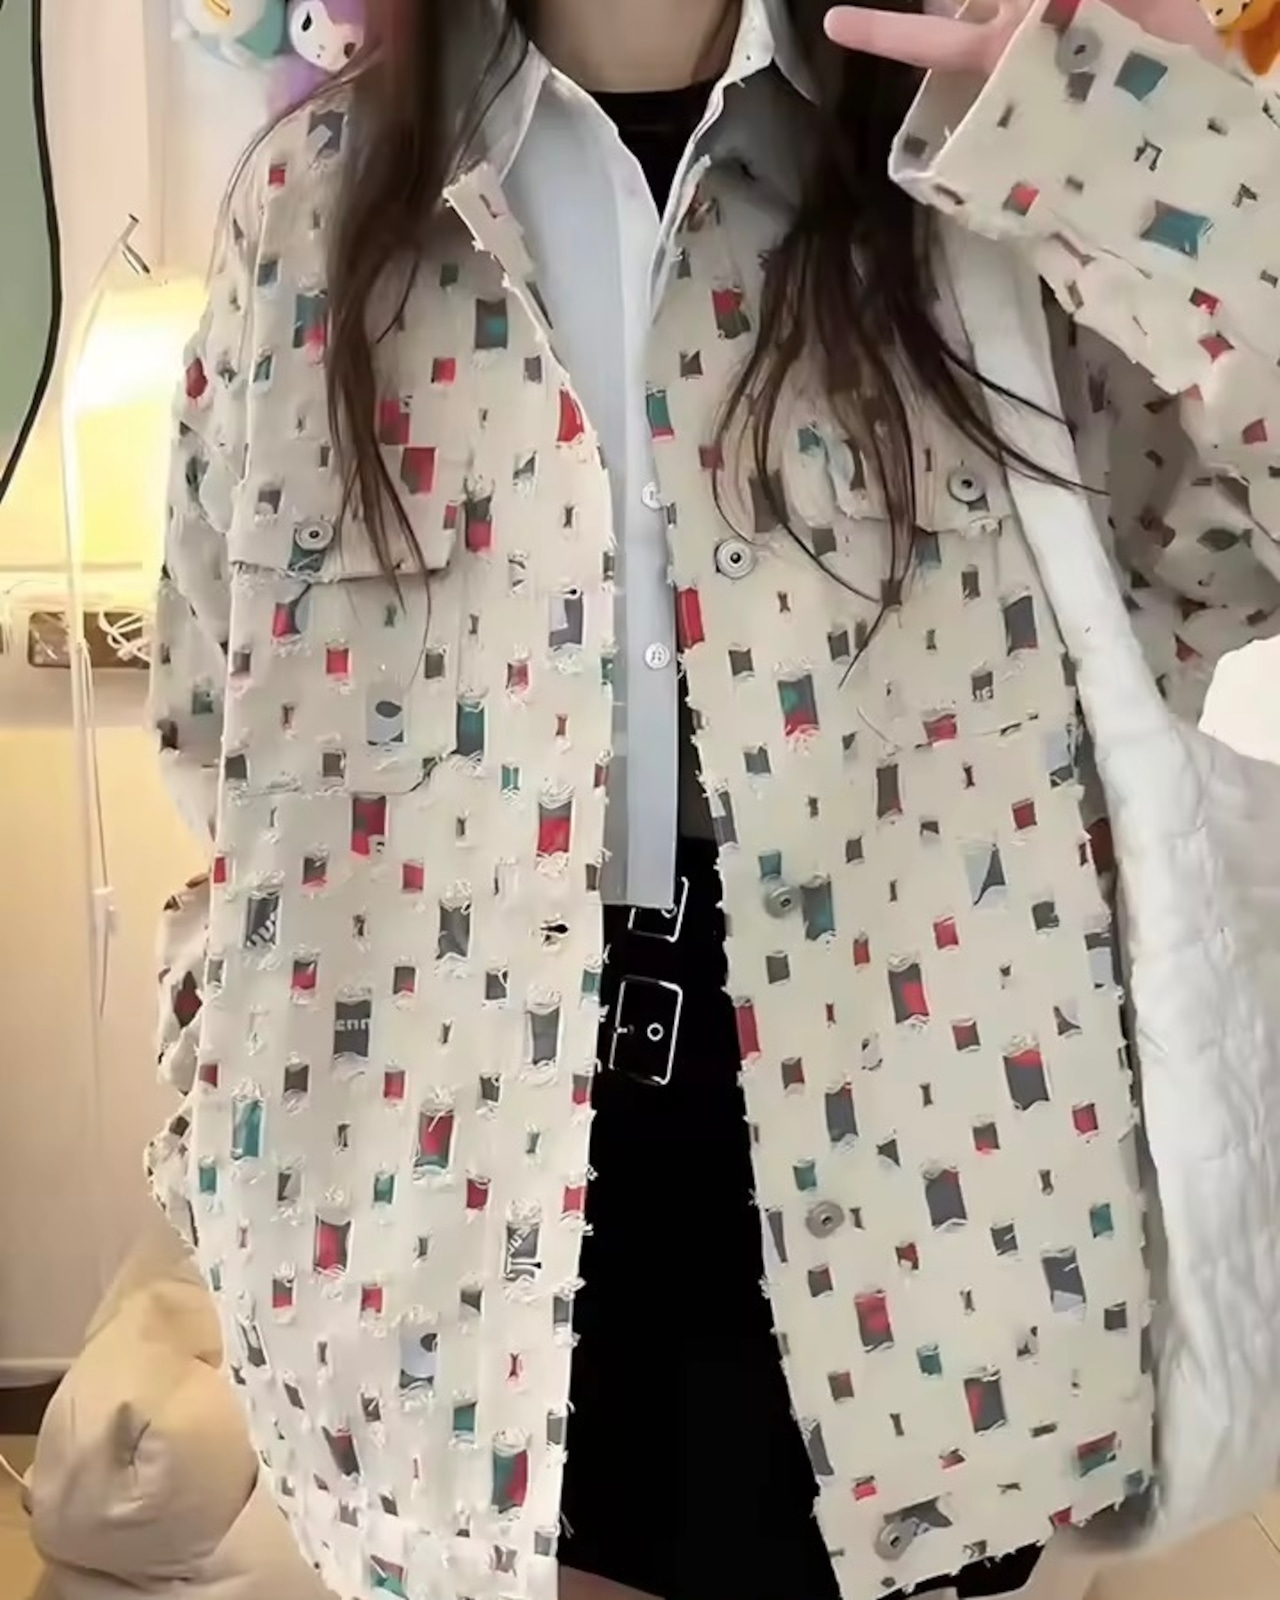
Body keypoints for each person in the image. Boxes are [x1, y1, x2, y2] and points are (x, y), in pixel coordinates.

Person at [145, 1, 1280, 1598]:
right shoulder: (311, 208)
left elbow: (1230, 554)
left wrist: (1148, 132)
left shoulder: (990, 168)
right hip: (437, 1196)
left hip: (924, 1173)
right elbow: (221, 740)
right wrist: (216, 1118)